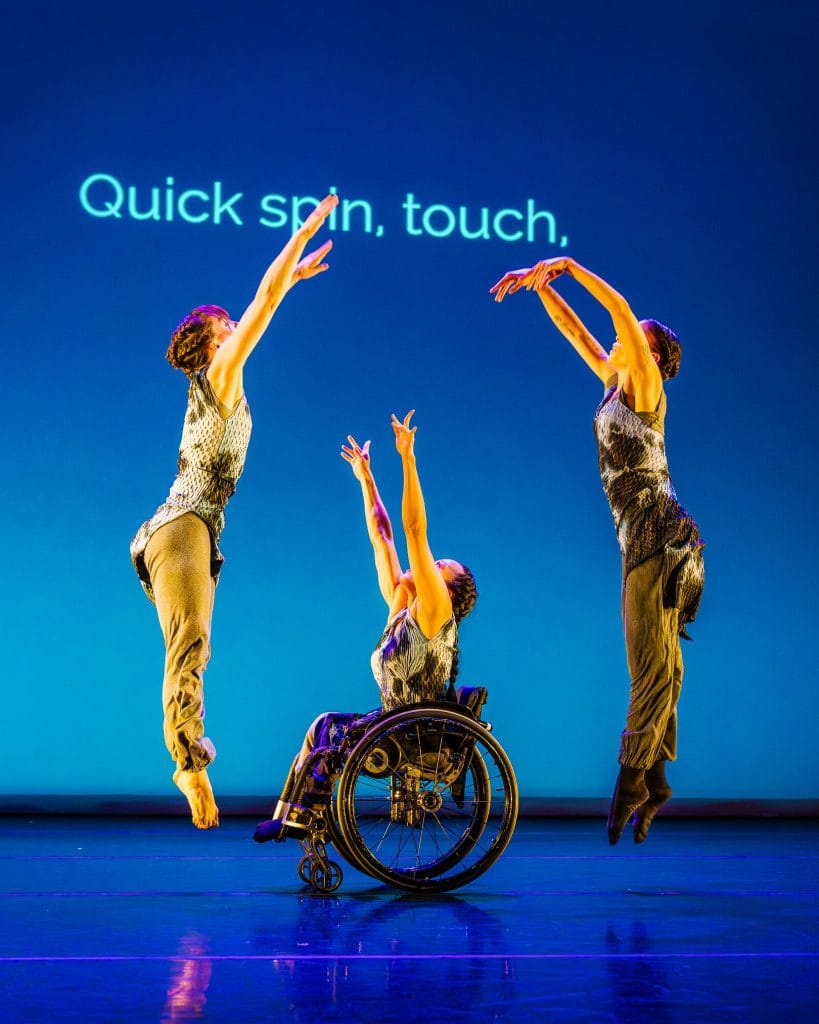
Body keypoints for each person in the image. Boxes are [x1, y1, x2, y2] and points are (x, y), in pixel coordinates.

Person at [130, 194, 338, 829]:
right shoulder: (219, 375)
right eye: (229, 323)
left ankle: (190, 751)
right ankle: (188, 760)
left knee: (194, 644)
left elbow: (266, 303)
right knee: (189, 642)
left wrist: (292, 279)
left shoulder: (218, 384)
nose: (237, 329)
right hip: (182, 525)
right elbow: (265, 299)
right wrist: (301, 235)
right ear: (214, 337)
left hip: (191, 533)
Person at [491, 257, 704, 845]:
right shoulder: (615, 386)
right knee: (656, 662)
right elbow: (579, 332)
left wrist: (566, 266)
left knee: (651, 666)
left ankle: (632, 777)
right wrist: (541, 291)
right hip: (639, 535)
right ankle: (654, 774)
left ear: (650, 354)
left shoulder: (645, 384)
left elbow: (616, 311)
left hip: (660, 533)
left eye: (630, 341)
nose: (615, 343)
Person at [254, 411, 478, 842]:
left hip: (417, 734)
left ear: (443, 589)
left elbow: (414, 530)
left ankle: (302, 818)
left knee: (330, 741)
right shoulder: (403, 605)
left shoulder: (435, 612)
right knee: (322, 725)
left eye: (437, 567)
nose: (428, 566)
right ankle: (291, 816)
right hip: (396, 723)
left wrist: (408, 459)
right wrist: (365, 478)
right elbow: (384, 536)